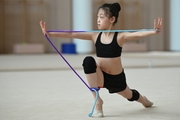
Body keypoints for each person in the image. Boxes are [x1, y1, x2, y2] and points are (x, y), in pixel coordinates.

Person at [40, 2, 163, 118]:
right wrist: (50, 33)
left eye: (101, 17)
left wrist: (154, 31)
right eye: (97, 17)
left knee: (130, 95)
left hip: (116, 79)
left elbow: (137, 34)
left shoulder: (120, 36)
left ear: (112, 19)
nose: (98, 20)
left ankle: (144, 100)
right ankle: (97, 101)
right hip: (101, 76)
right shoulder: (95, 36)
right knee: (88, 61)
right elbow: (72, 34)